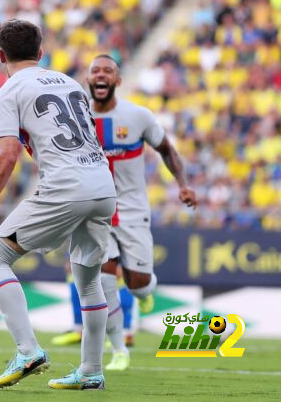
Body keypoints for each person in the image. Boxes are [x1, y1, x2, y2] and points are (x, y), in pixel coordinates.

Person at [0, 19, 117, 391]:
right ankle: (91, 371)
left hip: (65, 185)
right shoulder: (70, 82)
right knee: (88, 281)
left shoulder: (8, 91)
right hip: (102, 184)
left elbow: (7, 154)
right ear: (40, 53)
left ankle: (28, 350)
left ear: (0, 56)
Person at [84, 54, 197, 371]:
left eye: (108, 71)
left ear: (117, 81)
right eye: (96, 71)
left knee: (137, 283)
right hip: (95, 212)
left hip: (133, 210)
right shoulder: (77, 117)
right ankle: (119, 349)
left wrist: (183, 184)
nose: (101, 75)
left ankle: (145, 290)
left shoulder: (137, 116)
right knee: (104, 281)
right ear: (89, 80)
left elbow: (167, 150)